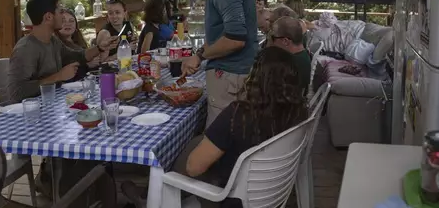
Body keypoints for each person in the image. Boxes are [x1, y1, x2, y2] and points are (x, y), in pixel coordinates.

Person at [122, 47, 308, 208]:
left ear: (255, 77)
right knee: (199, 141)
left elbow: (193, 168)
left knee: (192, 153)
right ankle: (147, 193)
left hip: (229, 197)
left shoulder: (239, 114)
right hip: (272, 191)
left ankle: (150, 198)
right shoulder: (299, 111)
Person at [165, 0, 259, 126]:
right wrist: (200, 53)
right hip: (231, 74)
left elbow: (235, 38)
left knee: (218, 145)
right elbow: (221, 32)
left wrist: (199, 57)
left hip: (230, 77)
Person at [7, 0, 117, 104]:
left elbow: (78, 56)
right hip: (28, 113)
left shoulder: (53, 41)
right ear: (48, 17)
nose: (63, 18)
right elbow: (16, 92)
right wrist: (58, 76)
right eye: (60, 12)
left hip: (50, 104)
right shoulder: (26, 49)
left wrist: (100, 47)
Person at [268, 17, 312, 94]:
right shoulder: (303, 55)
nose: (271, 41)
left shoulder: (288, 64)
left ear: (285, 41)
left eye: (273, 37)